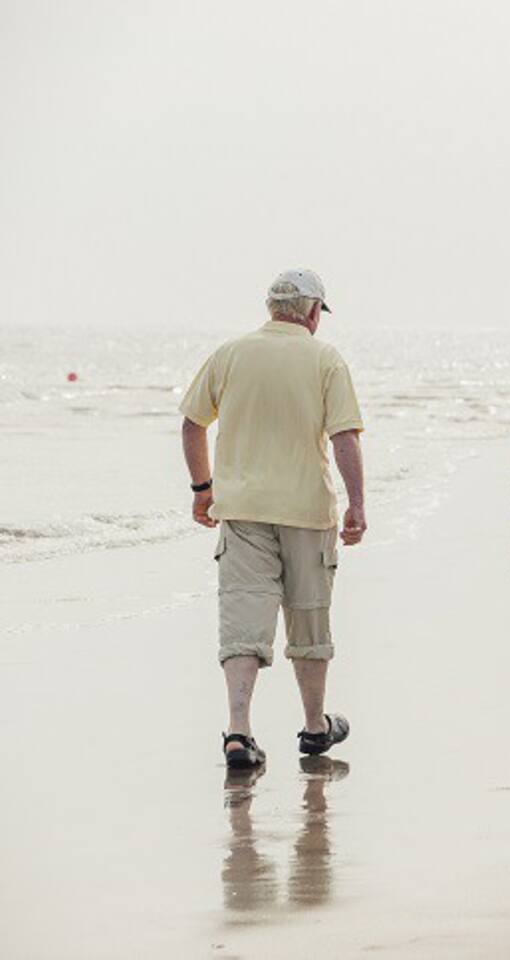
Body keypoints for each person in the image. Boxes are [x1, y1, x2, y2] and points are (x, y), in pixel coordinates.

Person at [180, 269, 366, 770]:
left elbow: (192, 423)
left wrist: (203, 489)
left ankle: (238, 731)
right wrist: (358, 504)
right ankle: (313, 727)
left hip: (241, 510)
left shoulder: (231, 353)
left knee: (244, 621)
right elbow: (345, 436)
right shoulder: (325, 358)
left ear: (271, 308)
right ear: (312, 313)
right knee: (309, 617)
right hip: (307, 511)